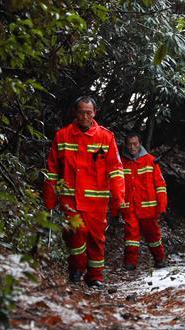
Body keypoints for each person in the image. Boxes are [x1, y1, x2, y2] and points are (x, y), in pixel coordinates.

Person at [43, 96, 125, 288]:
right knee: (75, 233)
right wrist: (49, 198)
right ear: (75, 112)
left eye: (88, 113)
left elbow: (115, 170)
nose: (85, 116)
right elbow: (52, 169)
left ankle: (95, 276)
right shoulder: (62, 136)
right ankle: (76, 268)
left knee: (96, 239)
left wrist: (118, 197)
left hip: (96, 202)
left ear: (95, 113)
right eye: (81, 112)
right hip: (70, 199)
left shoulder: (106, 137)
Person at [120, 131, 167, 270]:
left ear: (140, 143)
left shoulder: (151, 161)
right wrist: (116, 207)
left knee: (153, 236)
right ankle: (130, 262)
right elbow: (117, 185)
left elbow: (160, 185)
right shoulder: (121, 162)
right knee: (131, 236)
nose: (132, 147)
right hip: (129, 207)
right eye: (129, 144)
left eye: (135, 144)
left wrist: (162, 206)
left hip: (149, 208)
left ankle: (159, 259)